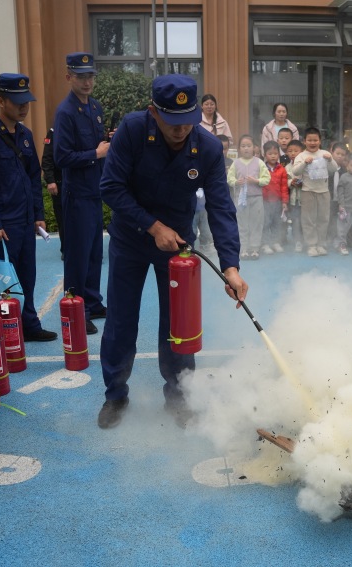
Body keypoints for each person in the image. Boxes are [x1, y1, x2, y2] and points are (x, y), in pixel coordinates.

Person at [97, 74, 247, 429]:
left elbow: (221, 207)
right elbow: (110, 187)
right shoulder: (132, 131)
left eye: (188, 122)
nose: (181, 131)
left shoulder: (208, 148)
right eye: (173, 122)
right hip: (131, 239)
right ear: (153, 112)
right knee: (121, 319)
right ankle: (115, 394)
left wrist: (231, 266)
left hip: (178, 247)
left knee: (179, 325)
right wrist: (152, 226)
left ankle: (179, 396)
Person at [0, 73, 57, 342]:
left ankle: (29, 325)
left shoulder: (25, 135)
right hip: (1, 225)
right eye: (17, 101)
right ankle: (5, 331)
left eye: (26, 101)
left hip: (24, 220)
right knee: (2, 282)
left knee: (27, 276)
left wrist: (38, 216)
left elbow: (33, 178)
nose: (23, 106)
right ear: (1, 100)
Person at [53, 52, 109, 335]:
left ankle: (93, 302)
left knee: (95, 252)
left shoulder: (95, 106)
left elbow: (102, 146)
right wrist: (94, 154)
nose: (87, 81)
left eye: (90, 76)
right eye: (81, 76)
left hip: (94, 191)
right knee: (77, 255)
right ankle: (77, 308)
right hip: (77, 195)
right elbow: (61, 157)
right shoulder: (65, 112)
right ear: (69, 77)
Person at [291, 127, 337, 257]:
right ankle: (311, 245)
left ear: (320, 141)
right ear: (304, 141)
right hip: (308, 191)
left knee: (323, 219)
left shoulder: (325, 154)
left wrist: (330, 159)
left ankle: (321, 244)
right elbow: (295, 172)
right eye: (309, 140)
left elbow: (334, 169)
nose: (312, 143)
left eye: (315, 140)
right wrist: (304, 163)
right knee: (308, 220)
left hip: (323, 191)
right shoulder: (301, 155)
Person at [228, 135, 270, 260]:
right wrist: (236, 182)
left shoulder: (259, 162)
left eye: (249, 146)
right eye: (243, 146)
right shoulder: (235, 163)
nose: (246, 148)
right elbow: (229, 178)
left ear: (254, 148)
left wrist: (257, 181)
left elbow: (267, 178)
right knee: (242, 224)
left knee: (256, 223)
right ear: (239, 149)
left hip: (256, 198)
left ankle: (255, 248)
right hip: (240, 199)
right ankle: (244, 249)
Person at [260, 141, 288, 255]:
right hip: (264, 201)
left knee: (277, 223)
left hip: (277, 201)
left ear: (279, 154)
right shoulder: (261, 168)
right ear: (264, 154)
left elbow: (284, 187)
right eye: (270, 153)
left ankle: (276, 242)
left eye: (275, 153)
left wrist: (285, 202)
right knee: (266, 223)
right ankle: (265, 244)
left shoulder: (282, 169)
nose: (273, 156)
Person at [41, 126, 64, 259]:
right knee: (62, 218)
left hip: (79, 183)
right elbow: (47, 159)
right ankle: (66, 249)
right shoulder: (54, 131)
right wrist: (50, 180)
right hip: (60, 182)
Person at [285, 140, 305, 252]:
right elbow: (285, 181)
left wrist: (304, 183)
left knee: (306, 221)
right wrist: (290, 183)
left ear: (302, 152)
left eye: (296, 151)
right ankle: (297, 241)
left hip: (305, 199)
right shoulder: (287, 167)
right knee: (296, 220)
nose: (293, 153)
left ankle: (307, 240)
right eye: (290, 151)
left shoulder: (306, 164)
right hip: (293, 199)